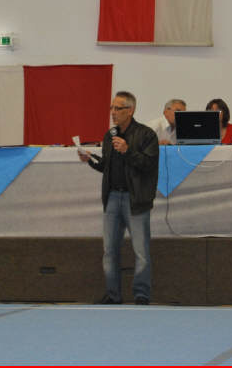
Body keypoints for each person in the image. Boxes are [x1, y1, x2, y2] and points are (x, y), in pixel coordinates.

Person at [78, 91, 159, 305]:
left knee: (141, 252)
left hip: (136, 199)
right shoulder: (110, 135)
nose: (113, 112)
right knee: (109, 251)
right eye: (111, 108)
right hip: (113, 197)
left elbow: (149, 165)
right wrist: (90, 159)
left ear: (130, 110)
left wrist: (127, 150)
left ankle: (141, 295)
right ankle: (113, 294)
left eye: (118, 108)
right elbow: (107, 166)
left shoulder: (147, 135)